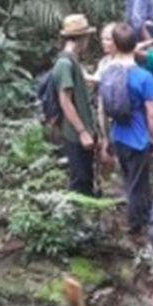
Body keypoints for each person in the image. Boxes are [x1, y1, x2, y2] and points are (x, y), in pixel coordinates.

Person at [105, 22, 153, 234]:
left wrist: (106, 137)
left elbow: (102, 109)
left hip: (118, 135)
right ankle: (137, 227)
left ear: (115, 44)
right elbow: (152, 114)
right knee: (138, 185)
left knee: (130, 180)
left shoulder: (108, 73)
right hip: (138, 138)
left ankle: (140, 219)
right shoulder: (143, 77)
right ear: (135, 44)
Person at [53, 14, 100, 197]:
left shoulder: (72, 60)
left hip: (82, 131)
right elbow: (65, 101)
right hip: (75, 134)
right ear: (83, 38)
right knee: (80, 182)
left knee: (86, 178)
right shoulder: (64, 64)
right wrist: (82, 132)